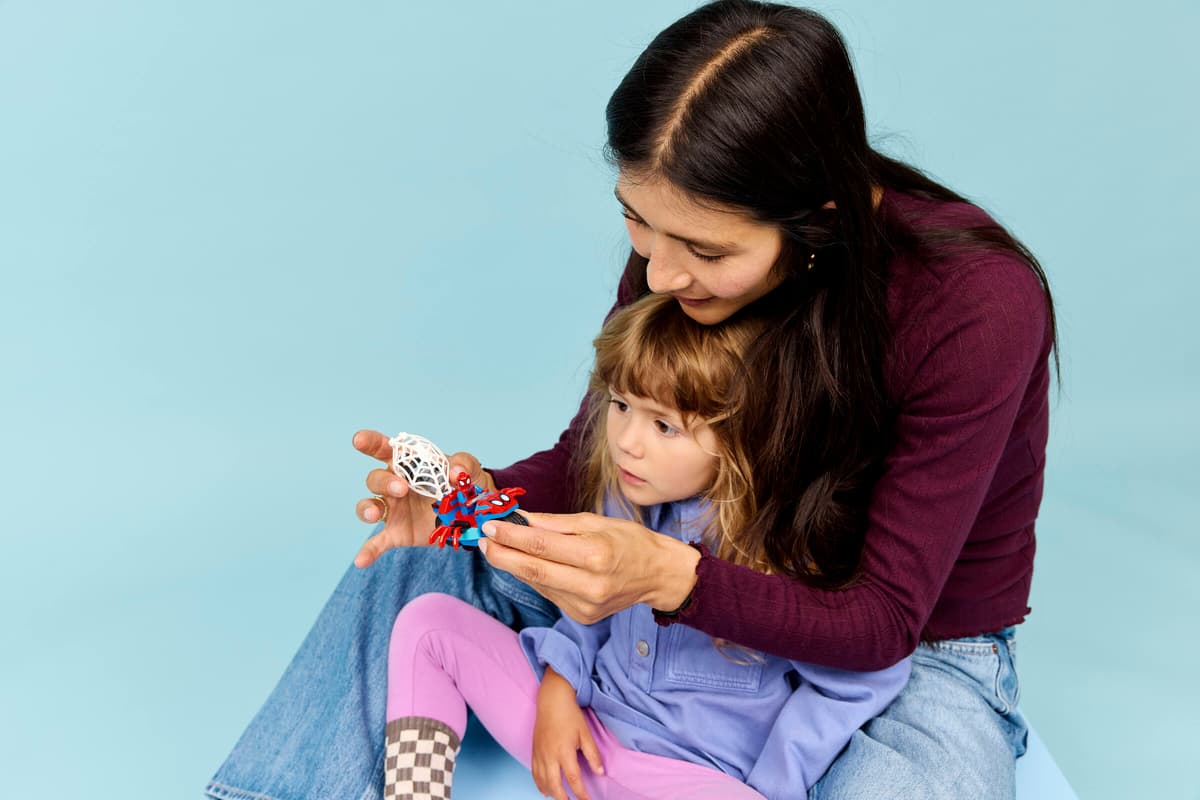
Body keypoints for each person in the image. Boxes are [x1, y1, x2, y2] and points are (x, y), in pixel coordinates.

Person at [206, 2, 1055, 799]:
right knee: (419, 561)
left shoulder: (975, 306)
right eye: (637, 220)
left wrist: (671, 580)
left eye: (704, 250)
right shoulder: (676, 264)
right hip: (662, 583)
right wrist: (474, 496)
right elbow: (594, 466)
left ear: (818, 222)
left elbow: (881, 623)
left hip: (890, 650)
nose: (659, 272)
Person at [381, 293, 911, 800]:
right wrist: (560, 690)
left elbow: (863, 675)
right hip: (584, 740)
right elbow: (587, 611)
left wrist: (774, 785)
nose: (626, 441)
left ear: (741, 435)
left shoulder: (784, 549)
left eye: (664, 425)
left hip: (694, 779)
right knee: (428, 625)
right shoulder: (624, 498)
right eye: (620, 405)